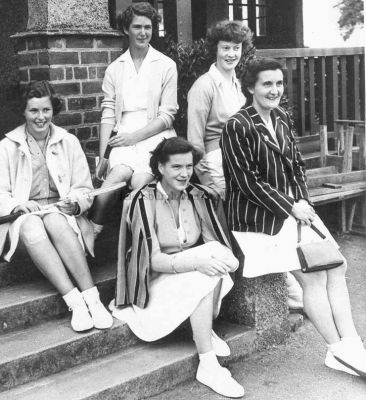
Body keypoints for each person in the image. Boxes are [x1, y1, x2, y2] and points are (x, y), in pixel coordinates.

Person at [220, 57, 366, 378]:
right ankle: (336, 350)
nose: (275, 90)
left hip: (294, 211)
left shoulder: (282, 117)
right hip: (260, 220)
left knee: (337, 265)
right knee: (313, 275)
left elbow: (296, 166)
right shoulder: (238, 126)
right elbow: (247, 182)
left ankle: (353, 343)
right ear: (250, 88)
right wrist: (290, 207)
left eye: (279, 83)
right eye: (267, 84)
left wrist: (303, 205)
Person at [110, 137, 245, 397]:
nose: (185, 174)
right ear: (160, 167)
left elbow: (218, 246)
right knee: (204, 274)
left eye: (189, 166)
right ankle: (207, 363)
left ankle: (203, 327)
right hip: (152, 283)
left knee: (218, 257)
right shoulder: (143, 200)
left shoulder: (198, 195)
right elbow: (153, 260)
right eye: (176, 167)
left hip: (182, 275)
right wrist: (196, 262)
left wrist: (208, 259)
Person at [0, 81, 113, 332]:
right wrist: (18, 205)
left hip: (62, 216)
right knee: (31, 225)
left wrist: (74, 203)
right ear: (23, 112)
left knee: (53, 219)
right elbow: (1, 192)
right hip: (22, 220)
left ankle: (93, 299)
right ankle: (75, 302)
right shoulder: (7, 146)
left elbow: (84, 188)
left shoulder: (68, 141)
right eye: (33, 111)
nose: (41, 117)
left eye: (46, 110)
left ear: (53, 110)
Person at [90, 2, 178, 237]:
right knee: (114, 178)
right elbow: (108, 113)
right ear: (126, 29)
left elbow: (168, 116)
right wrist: (103, 157)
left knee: (140, 183)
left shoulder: (166, 65)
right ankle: (91, 233)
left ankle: (136, 241)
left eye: (148, 27)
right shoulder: (115, 68)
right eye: (137, 27)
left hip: (154, 134)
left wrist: (134, 138)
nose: (143, 33)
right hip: (122, 133)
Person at [187, 20, 251, 198]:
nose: (231, 54)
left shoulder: (238, 85)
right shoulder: (203, 86)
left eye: (236, 48)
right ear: (215, 49)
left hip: (243, 160)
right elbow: (194, 140)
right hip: (216, 163)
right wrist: (207, 181)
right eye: (226, 48)